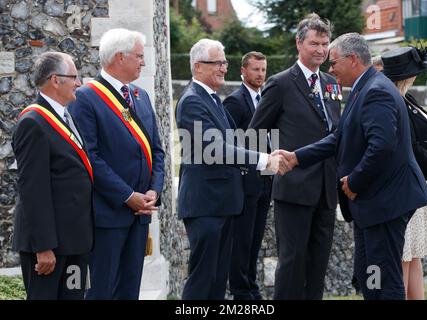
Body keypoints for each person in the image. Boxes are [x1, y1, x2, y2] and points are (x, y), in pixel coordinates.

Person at [278, 33, 427, 300]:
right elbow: (339, 138)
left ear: (352, 60)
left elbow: (381, 146)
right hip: (373, 205)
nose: (330, 68)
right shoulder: (365, 87)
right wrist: (296, 157)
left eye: (334, 62)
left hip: (385, 202)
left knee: (383, 277)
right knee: (369, 272)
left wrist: (355, 181)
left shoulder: (376, 92)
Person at [175, 39, 287, 300]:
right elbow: (215, 148)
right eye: (218, 63)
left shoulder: (212, 99)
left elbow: (237, 142)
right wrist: (264, 160)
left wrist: (277, 153)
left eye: (224, 62)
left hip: (222, 204)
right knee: (202, 281)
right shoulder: (192, 101)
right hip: (206, 205)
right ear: (198, 66)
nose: (224, 68)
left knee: (216, 281)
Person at [248, 13, 341, 300]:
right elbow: (254, 132)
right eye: (314, 43)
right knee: (292, 262)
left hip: (327, 189)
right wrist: (273, 162)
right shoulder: (280, 83)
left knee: (318, 265)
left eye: (325, 44)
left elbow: (336, 132)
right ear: (298, 43)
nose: (321, 50)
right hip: (294, 189)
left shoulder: (331, 83)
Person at [69, 28, 165, 299]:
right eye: (139, 56)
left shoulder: (141, 96)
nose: (143, 62)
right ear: (120, 58)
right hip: (107, 216)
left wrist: (153, 191)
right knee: (100, 290)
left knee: (129, 291)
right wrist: (127, 196)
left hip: (140, 215)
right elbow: (90, 158)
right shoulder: (86, 98)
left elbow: (157, 150)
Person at [12, 52, 94, 299]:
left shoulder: (66, 117)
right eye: (74, 77)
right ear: (56, 80)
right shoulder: (33, 122)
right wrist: (44, 246)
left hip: (75, 241)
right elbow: (33, 190)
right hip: (51, 247)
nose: (79, 83)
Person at [382, 46, 427, 299]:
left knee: (415, 253)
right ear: (406, 76)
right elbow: (408, 145)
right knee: (404, 254)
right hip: (408, 186)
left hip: (422, 183)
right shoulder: (393, 100)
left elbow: (424, 139)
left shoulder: (407, 97)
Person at [223, 51, 272, 300]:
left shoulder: (266, 98)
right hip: (244, 182)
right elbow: (231, 146)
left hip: (265, 179)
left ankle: (251, 287)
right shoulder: (235, 101)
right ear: (243, 71)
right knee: (241, 240)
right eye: (255, 69)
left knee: (255, 240)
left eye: (263, 70)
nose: (260, 74)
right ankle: (241, 291)